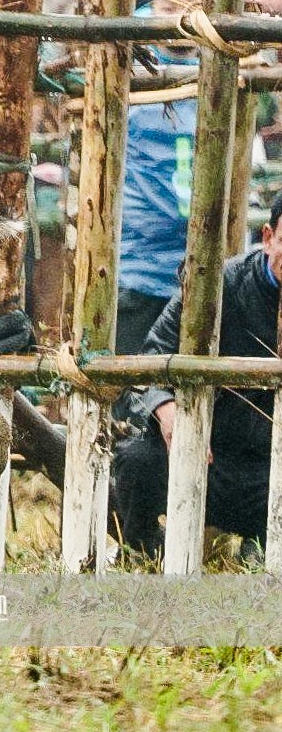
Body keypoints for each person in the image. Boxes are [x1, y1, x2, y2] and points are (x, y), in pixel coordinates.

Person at [113, 194, 282, 561]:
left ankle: (262, 554)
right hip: (205, 455)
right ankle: (144, 555)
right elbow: (154, 357)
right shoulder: (219, 287)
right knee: (138, 460)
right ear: (269, 237)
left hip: (271, 468)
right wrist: (166, 408)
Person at [115, 0, 206, 349]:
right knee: (126, 378)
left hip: (201, 262)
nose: (180, 17)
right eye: (168, 7)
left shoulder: (228, 66)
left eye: (191, 7)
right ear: (149, 11)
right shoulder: (123, 66)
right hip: (134, 263)